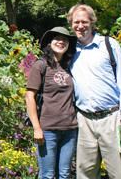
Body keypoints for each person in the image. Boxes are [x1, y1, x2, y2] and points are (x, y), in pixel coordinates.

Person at [67, 4, 121, 179]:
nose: (80, 26)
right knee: (85, 173)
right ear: (71, 24)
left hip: (111, 118)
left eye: (84, 21)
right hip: (84, 120)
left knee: (119, 172)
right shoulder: (70, 50)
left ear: (92, 23)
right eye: (76, 22)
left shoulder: (108, 44)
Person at [25, 27, 78, 179]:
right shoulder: (41, 65)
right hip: (48, 130)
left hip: (69, 129)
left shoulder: (70, 66)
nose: (61, 42)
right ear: (49, 43)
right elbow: (30, 97)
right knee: (47, 175)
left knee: (65, 173)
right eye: (57, 38)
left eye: (65, 39)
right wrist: (36, 128)